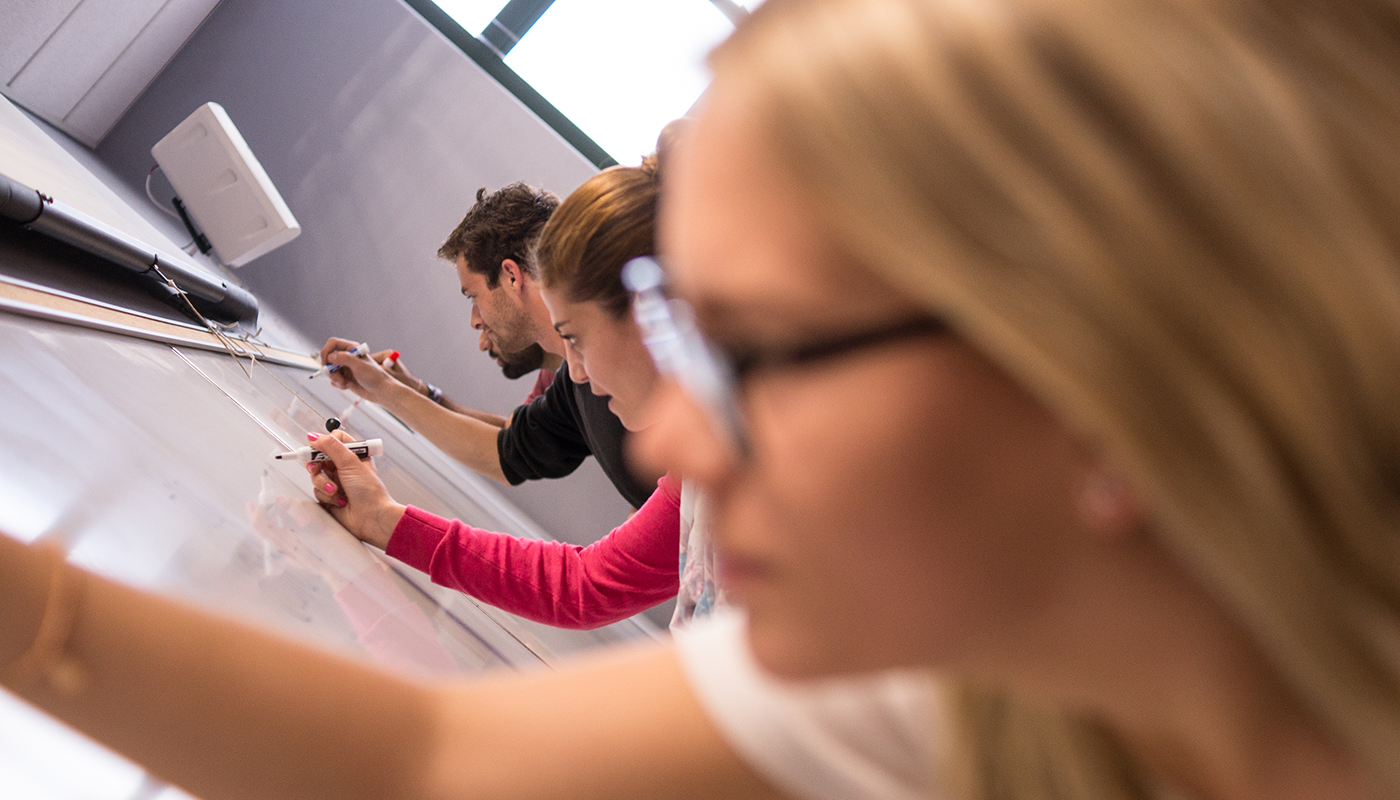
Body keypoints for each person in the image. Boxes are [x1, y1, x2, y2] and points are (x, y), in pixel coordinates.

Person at [1, 0, 1394, 798]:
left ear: (1095, 383)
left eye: (751, 351)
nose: (663, 437)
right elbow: (437, 756)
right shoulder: (952, 676)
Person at [309, 161, 690, 630]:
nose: (576, 372)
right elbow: (512, 444)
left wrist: (384, 517)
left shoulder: (720, 461)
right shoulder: (691, 472)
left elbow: (582, 586)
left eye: (576, 337)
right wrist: (404, 394)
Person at [322, 181, 655, 508]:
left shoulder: (623, 360)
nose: (474, 321)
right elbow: (506, 449)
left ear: (511, 276)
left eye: (473, 296)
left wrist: (386, 389)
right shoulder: (571, 383)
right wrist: (394, 389)